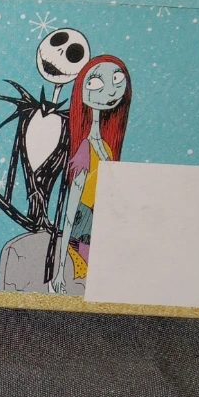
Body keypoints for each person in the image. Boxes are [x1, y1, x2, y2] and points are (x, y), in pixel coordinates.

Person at [49, 55, 132, 294]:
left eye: (117, 79)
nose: (111, 91)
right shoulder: (85, 148)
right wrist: (59, 271)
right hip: (84, 233)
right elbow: (71, 212)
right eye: (95, 83)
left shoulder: (107, 146)